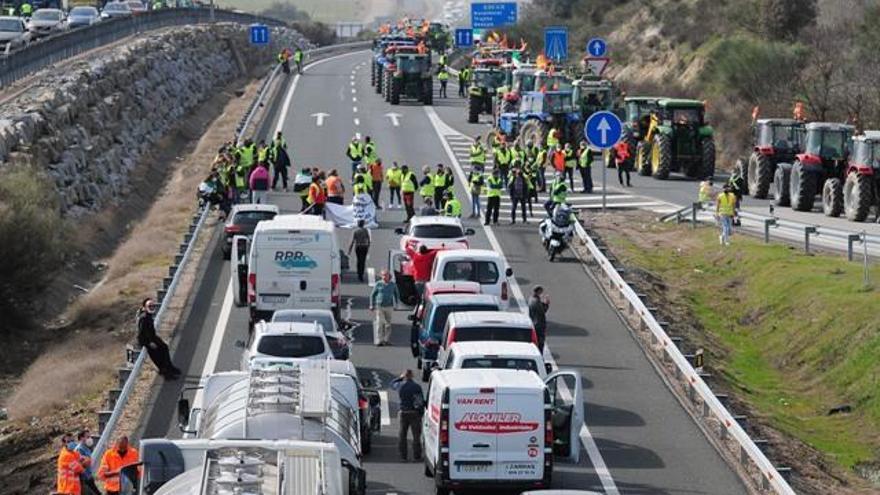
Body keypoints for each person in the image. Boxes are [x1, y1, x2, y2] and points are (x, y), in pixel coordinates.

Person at [137, 298, 180, 379]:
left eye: (153, 305)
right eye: (150, 306)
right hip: (147, 341)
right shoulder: (144, 317)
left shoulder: (148, 315)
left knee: (164, 347)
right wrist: (149, 343)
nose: (152, 307)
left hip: (152, 337)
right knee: (157, 355)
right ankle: (166, 374)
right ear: (145, 307)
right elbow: (141, 333)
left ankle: (170, 367)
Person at [390, 369, 424, 461]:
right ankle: (417, 456)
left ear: (404, 376)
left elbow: (392, 384)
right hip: (414, 413)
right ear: (412, 376)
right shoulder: (417, 387)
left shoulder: (400, 386)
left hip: (403, 412)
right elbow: (420, 401)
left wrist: (399, 378)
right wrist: (421, 413)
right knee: (416, 436)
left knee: (402, 435)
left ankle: (403, 456)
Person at [369, 270, 399, 346]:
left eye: (386, 275)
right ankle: (379, 340)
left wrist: (396, 304)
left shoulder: (393, 285)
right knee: (380, 323)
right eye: (383, 275)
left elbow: (396, 295)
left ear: (389, 276)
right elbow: (373, 295)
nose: (384, 277)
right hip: (379, 306)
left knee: (388, 324)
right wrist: (371, 305)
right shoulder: (378, 284)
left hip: (389, 306)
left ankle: (386, 340)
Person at [74, 431, 100, 495]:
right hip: (84, 479)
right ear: (81, 438)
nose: (90, 438)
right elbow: (80, 465)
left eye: (90, 437)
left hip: (88, 476)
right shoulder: (79, 449)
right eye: (88, 437)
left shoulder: (86, 448)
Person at [528, 286, 550, 353]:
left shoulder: (531, 299)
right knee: (540, 343)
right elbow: (543, 310)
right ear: (538, 291)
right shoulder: (536, 301)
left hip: (534, 323)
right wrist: (546, 304)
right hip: (539, 325)